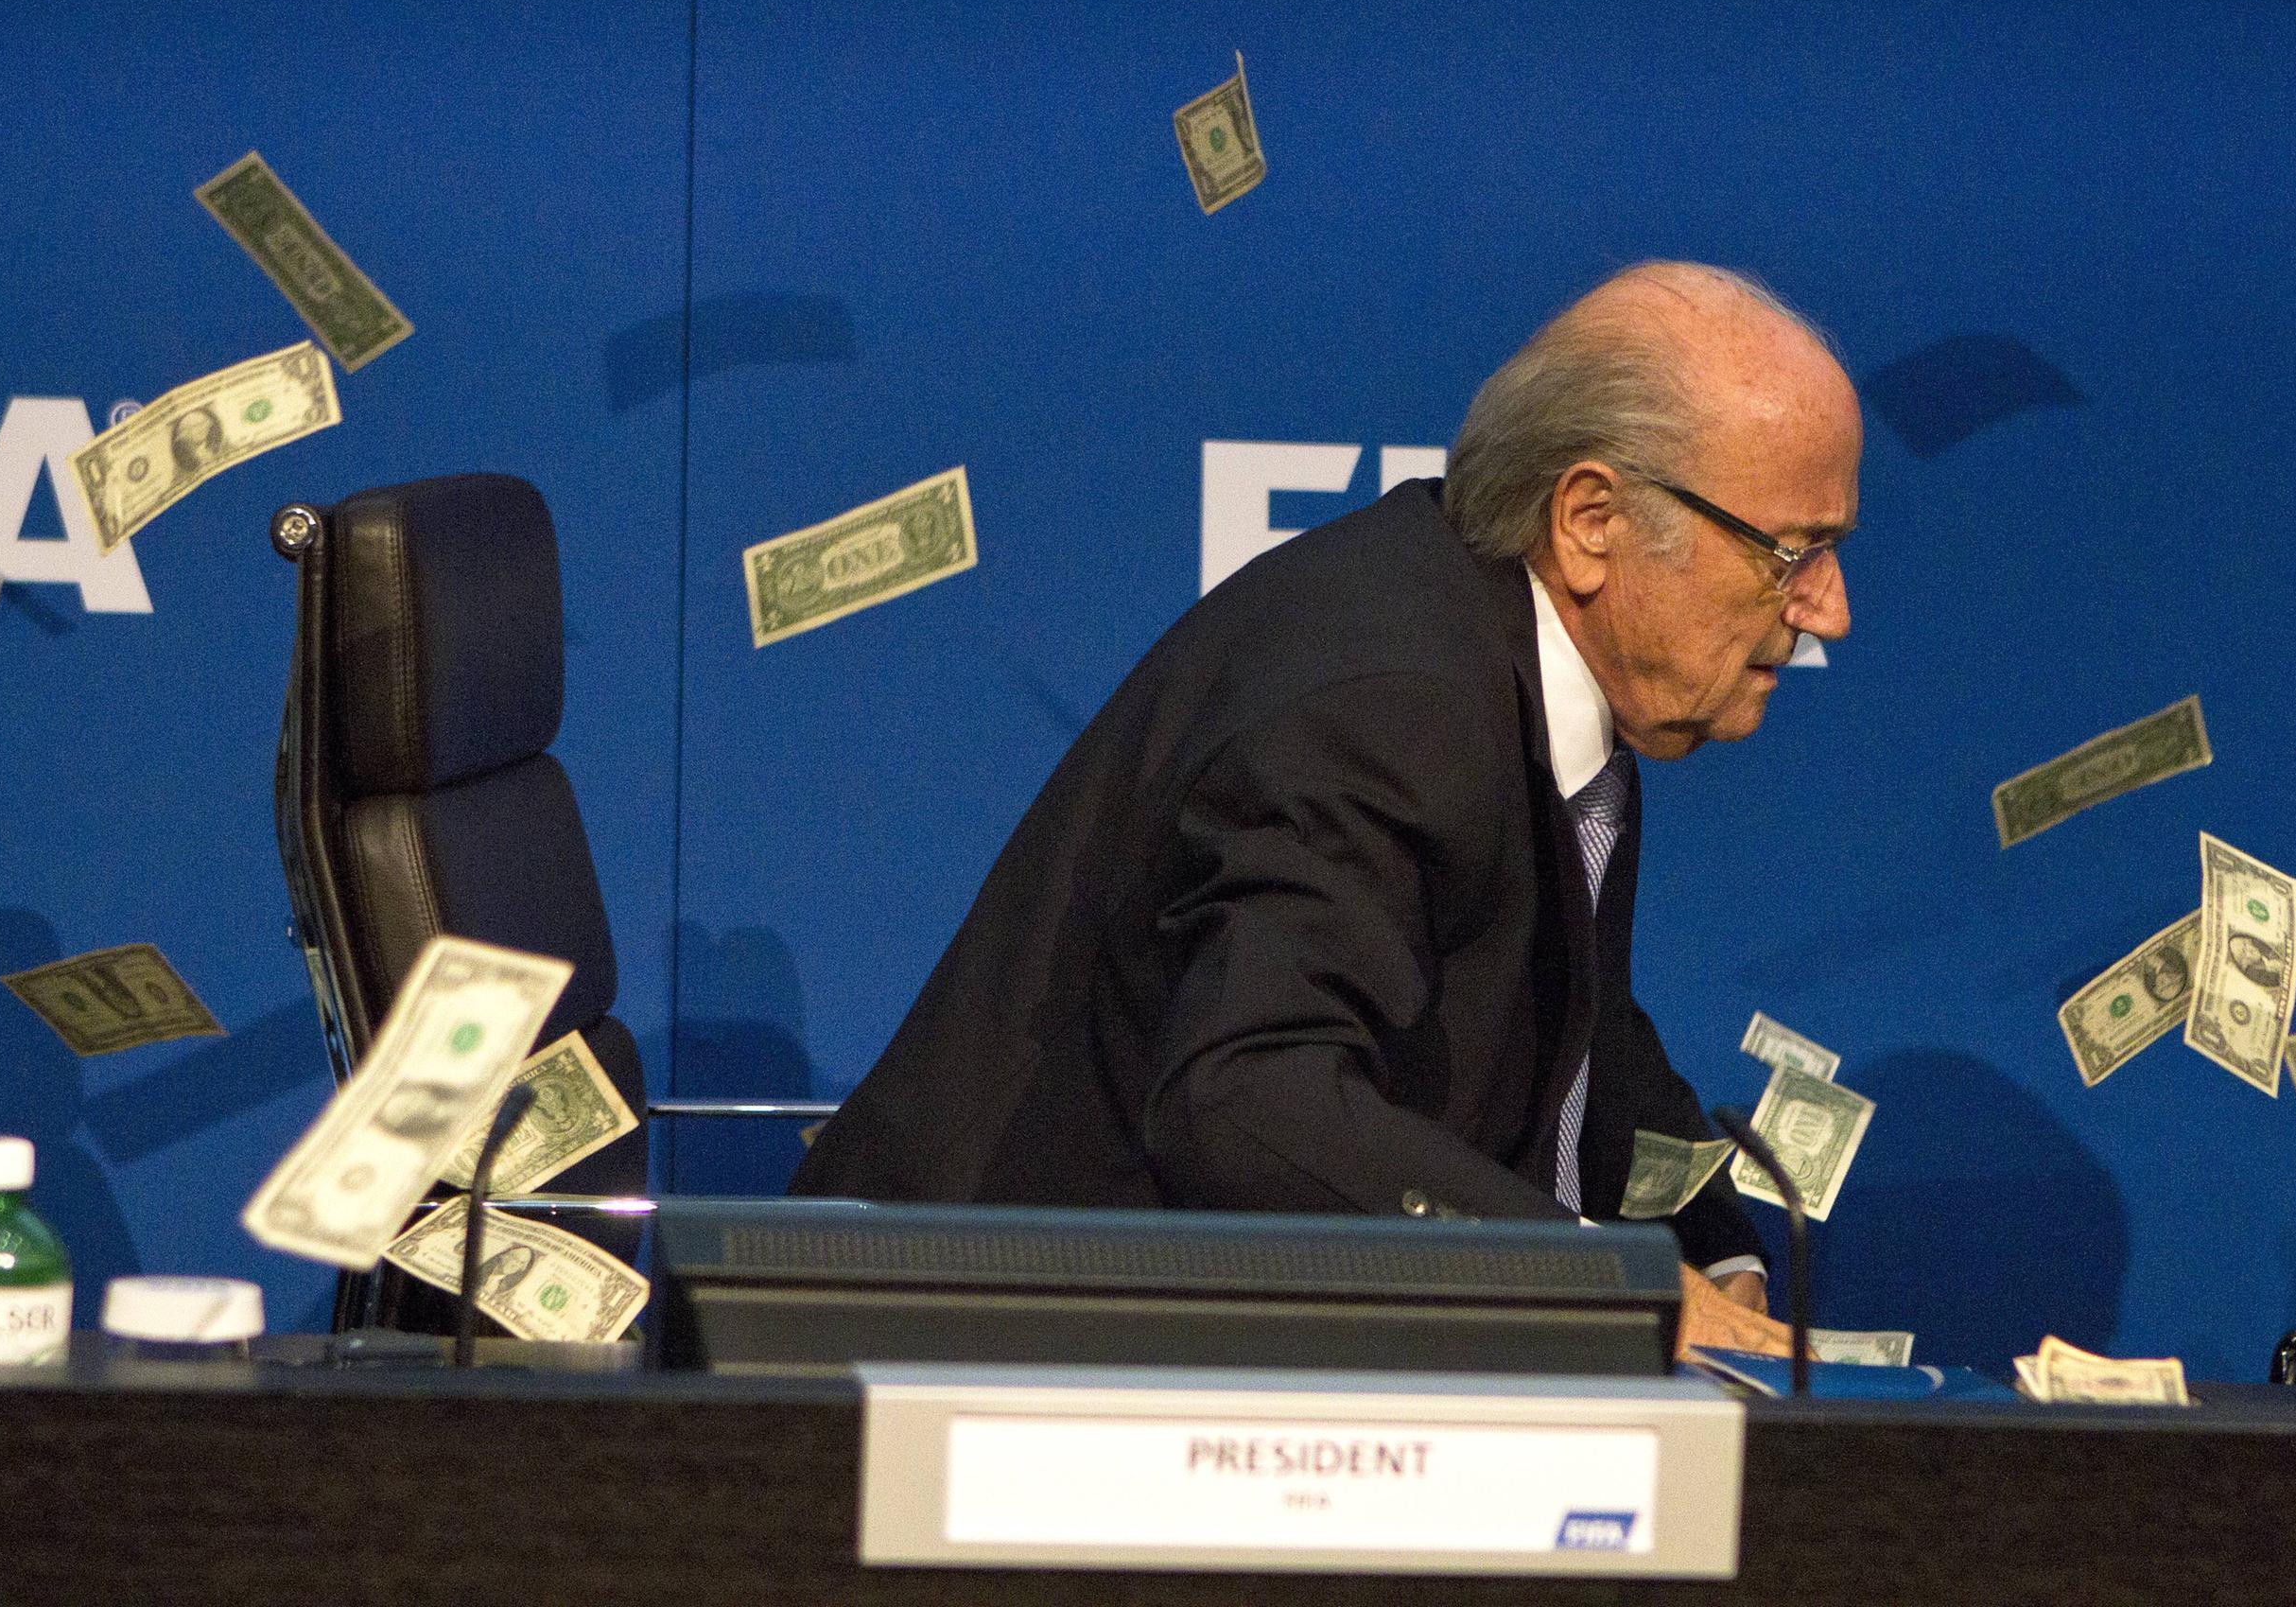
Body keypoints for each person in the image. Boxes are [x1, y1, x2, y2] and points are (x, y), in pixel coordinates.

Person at [791, 261, 1859, 1357]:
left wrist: (1708, 1244)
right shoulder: (1393, 705)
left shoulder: (1523, 666)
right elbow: (1249, 1099)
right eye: (1792, 551)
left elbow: (1553, 1006)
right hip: (965, 1376)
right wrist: (1604, 1283)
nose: (1830, 608)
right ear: (1592, 519)